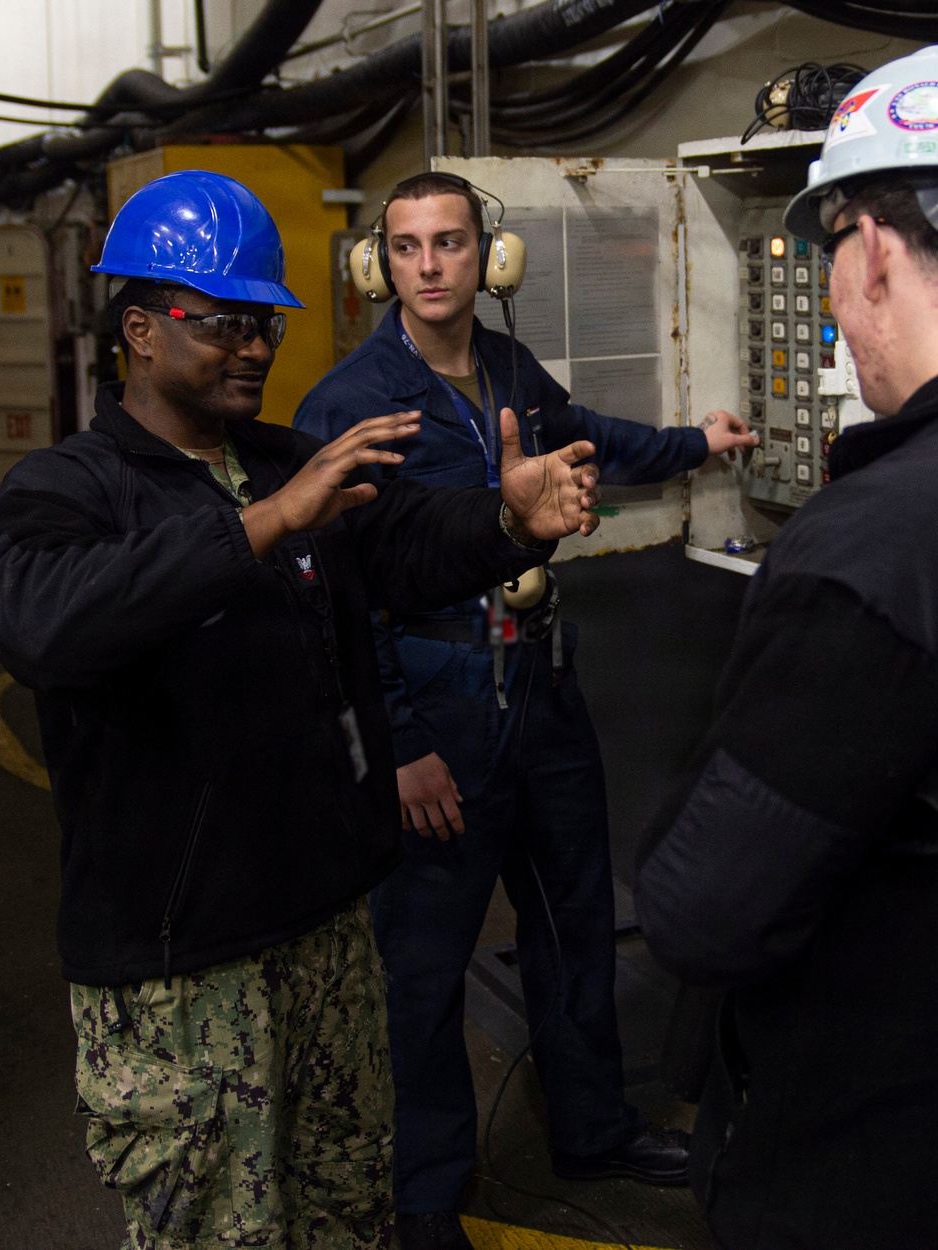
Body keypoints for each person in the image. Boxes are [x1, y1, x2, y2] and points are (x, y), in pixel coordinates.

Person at [0, 170, 606, 1250]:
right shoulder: (68, 491)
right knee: (223, 1229)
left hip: (323, 938)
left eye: (264, 323)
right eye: (223, 323)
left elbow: (400, 544)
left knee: (344, 1213)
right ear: (138, 327)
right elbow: (43, 624)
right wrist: (260, 525)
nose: (255, 346)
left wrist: (506, 520)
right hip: (182, 973)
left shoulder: (280, 463)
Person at [294, 172, 758, 1249]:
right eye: (406, 246)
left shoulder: (509, 370)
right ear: (379, 265)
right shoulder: (349, 404)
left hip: (539, 694)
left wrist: (698, 442)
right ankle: (426, 1193)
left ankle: (591, 1128)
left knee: (571, 925)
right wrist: (403, 745)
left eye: (449, 242)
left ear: (487, 258)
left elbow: (589, 433)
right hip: (437, 706)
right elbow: (342, 600)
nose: (429, 265)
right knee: (422, 965)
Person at [635, 46, 938, 1250]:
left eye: (825, 265)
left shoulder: (870, 543)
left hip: (865, 1156)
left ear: (865, 248)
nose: (825, 307)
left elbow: (703, 906)